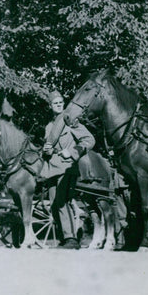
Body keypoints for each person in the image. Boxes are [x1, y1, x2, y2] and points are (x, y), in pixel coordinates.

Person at [43, 90, 95, 249]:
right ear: (50, 106)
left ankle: (71, 238)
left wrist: (72, 152)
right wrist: (46, 150)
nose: (58, 105)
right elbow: (49, 147)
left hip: (67, 167)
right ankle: (64, 237)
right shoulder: (49, 126)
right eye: (55, 103)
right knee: (53, 203)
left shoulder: (70, 121)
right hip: (52, 167)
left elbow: (90, 140)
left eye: (60, 102)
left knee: (61, 200)